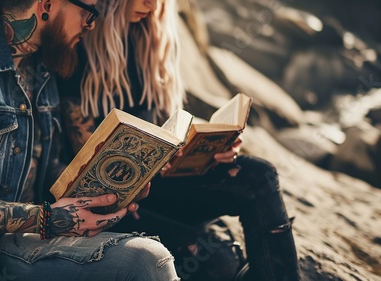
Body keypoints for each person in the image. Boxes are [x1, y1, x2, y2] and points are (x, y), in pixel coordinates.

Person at [0, 0, 180, 280]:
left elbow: (44, 167)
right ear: (47, 5)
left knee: (146, 259)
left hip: (21, 245)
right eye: (88, 12)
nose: (91, 25)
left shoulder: (43, 64)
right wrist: (45, 218)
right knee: (148, 261)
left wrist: (109, 190)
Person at [57, 0, 300, 280]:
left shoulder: (149, 41)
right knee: (216, 260)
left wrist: (207, 149)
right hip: (118, 201)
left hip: (162, 184)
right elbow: (88, 164)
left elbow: (165, 127)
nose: (150, 3)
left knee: (259, 176)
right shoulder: (78, 42)